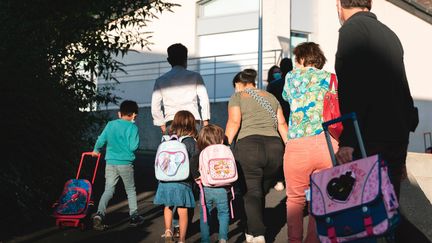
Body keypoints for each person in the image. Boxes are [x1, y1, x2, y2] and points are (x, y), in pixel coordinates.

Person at [334, 0, 417, 200]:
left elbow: (352, 88)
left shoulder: (351, 30)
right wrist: (403, 151)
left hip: (369, 137)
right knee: (389, 210)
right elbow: (402, 89)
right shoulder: (390, 35)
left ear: (339, 5)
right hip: (396, 135)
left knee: (366, 213)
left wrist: (348, 140)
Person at [282, 42, 339, 243]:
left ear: (302, 58)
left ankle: (294, 240)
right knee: (321, 198)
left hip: (298, 144)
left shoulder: (291, 77)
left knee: (296, 199)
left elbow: (287, 97)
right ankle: (314, 240)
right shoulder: (331, 78)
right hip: (327, 143)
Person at [225, 69, 288, 243]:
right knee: (259, 191)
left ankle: (257, 233)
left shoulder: (238, 97)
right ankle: (252, 229)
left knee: (251, 192)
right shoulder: (270, 97)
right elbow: (282, 124)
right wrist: (290, 147)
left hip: (249, 148)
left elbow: (234, 122)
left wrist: (223, 146)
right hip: (275, 150)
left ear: (239, 84)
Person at [91, 100, 144, 230]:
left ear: (120, 113)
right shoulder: (133, 127)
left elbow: (101, 139)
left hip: (110, 162)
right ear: (134, 115)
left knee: (108, 190)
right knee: (130, 190)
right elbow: (133, 147)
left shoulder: (111, 124)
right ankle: (134, 216)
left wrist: (96, 150)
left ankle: (99, 214)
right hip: (125, 163)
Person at [153, 110, 198, 243]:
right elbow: (195, 161)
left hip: (165, 181)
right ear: (191, 124)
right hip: (183, 182)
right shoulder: (190, 141)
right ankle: (182, 239)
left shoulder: (165, 139)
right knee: (182, 210)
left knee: (168, 207)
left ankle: (168, 231)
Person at [151, 43, 210, 135]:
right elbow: (204, 99)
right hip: (193, 120)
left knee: (173, 149)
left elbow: (155, 106)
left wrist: (161, 124)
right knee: (194, 148)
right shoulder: (195, 76)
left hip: (171, 121)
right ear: (186, 59)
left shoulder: (160, 80)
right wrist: (205, 121)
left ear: (169, 60)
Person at [190, 124, 230, 243]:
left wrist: (197, 178)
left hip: (205, 187)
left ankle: (205, 239)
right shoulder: (225, 151)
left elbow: (193, 164)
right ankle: (223, 237)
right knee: (223, 213)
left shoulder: (200, 153)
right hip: (222, 188)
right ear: (221, 140)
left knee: (205, 215)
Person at [267, 57, 294, 191]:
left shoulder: (273, 85)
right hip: (296, 120)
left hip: (278, 120)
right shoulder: (298, 81)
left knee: (281, 151)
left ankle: (279, 179)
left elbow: (268, 105)